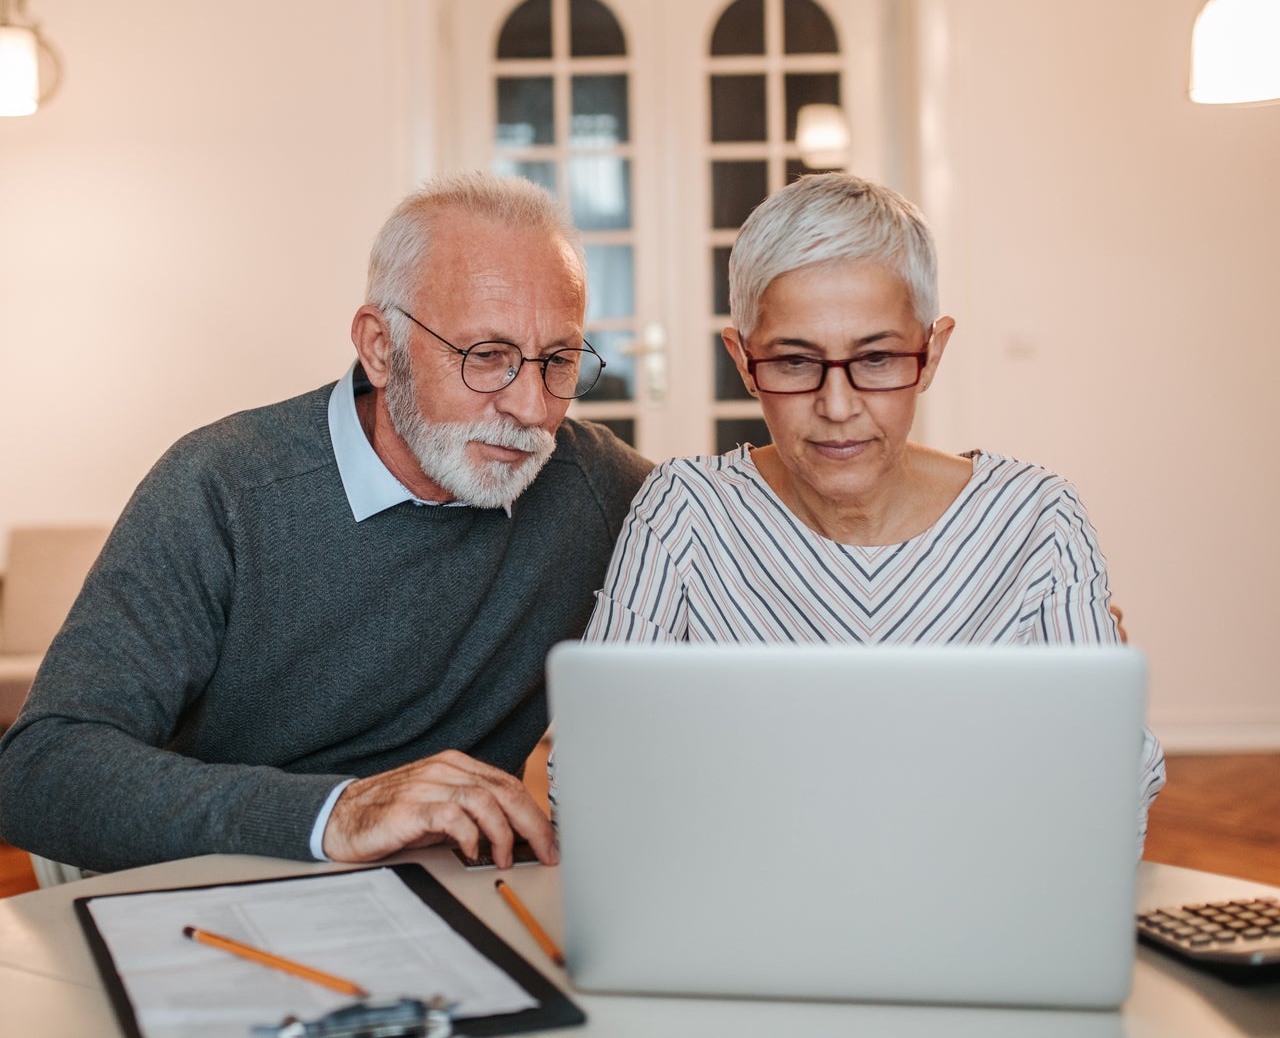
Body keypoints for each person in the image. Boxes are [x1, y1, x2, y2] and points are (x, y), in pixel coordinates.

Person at [0, 172, 651, 874]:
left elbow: (739, 514)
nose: (531, 406)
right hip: (206, 882)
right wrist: (336, 813)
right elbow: (41, 770)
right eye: (485, 357)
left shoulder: (593, 484)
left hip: (447, 897)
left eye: (557, 361)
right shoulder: (222, 486)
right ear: (379, 346)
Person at [580, 173, 1165, 843]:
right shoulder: (682, 511)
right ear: (743, 361)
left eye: (878, 358)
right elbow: (595, 772)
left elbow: (1111, 789)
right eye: (795, 362)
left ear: (932, 351)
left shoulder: (1037, 520)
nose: (837, 407)